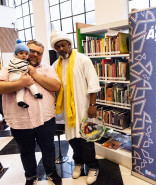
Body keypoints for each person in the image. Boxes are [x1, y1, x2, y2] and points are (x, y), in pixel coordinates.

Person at [0, 40, 62, 185]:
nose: (34, 54)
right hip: (19, 120)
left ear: (41, 55)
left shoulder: (46, 68)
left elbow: (56, 86)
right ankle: (31, 176)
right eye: (31, 51)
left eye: (38, 53)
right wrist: (21, 83)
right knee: (26, 151)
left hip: (45, 118)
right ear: (23, 51)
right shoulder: (9, 67)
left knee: (48, 148)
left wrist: (34, 74)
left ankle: (51, 173)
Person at [50, 30, 101, 185]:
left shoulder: (82, 59)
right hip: (68, 112)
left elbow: (93, 84)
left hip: (84, 107)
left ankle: (92, 167)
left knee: (87, 139)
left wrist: (92, 105)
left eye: (63, 45)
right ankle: (78, 163)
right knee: (72, 139)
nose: (61, 48)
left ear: (70, 44)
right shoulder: (55, 65)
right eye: (57, 47)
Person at [8, 39, 43, 108]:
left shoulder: (16, 61)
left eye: (26, 54)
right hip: (16, 76)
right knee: (29, 82)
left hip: (15, 77)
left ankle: (20, 101)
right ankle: (36, 93)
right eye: (21, 53)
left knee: (20, 90)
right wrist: (29, 69)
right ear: (16, 54)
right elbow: (24, 68)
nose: (24, 55)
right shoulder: (18, 61)